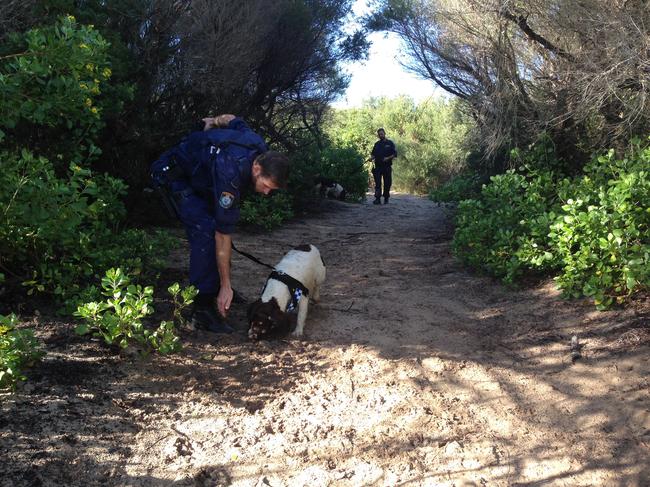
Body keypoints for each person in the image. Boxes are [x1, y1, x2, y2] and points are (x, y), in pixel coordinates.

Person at [151, 114, 290, 333]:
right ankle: (201, 309)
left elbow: (233, 118)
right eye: (266, 186)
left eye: (272, 190)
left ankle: (215, 290)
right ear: (256, 168)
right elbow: (222, 236)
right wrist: (226, 286)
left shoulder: (256, 144)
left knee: (216, 224)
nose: (266, 193)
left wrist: (212, 121)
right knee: (206, 232)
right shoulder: (230, 173)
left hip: (199, 176)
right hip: (173, 175)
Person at [370, 128, 397, 204]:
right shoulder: (377, 144)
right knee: (378, 183)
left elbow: (395, 154)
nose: (380, 135)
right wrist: (371, 158)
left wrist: (388, 158)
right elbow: (373, 154)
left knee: (387, 183)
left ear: (384, 133)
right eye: (379, 134)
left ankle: (386, 198)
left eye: (381, 134)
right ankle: (377, 199)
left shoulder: (390, 143)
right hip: (378, 167)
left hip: (387, 167)